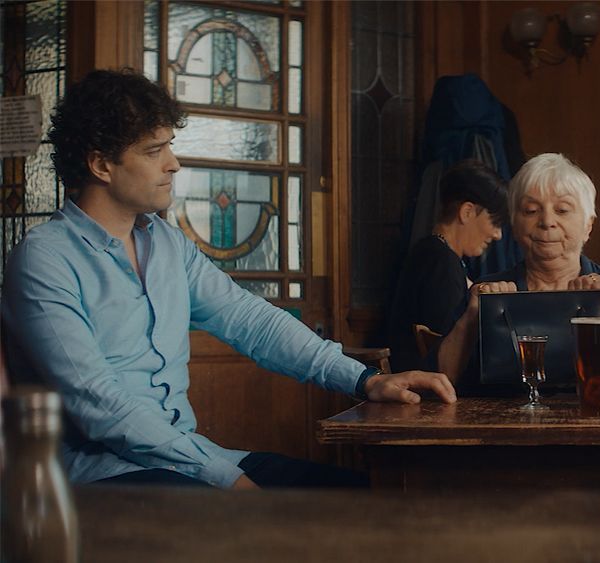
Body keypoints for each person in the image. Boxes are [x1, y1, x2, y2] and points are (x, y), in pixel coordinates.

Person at [1, 69, 456, 490]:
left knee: (359, 499)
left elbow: (250, 321)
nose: (173, 163)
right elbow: (99, 406)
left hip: (188, 459)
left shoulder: (166, 243)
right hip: (100, 477)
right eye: (154, 150)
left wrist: (364, 381)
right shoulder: (44, 260)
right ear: (101, 165)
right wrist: (224, 478)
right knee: (264, 526)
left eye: (170, 146)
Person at [439, 153, 600, 390]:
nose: (547, 221)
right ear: (514, 224)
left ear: (588, 224)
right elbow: (442, 379)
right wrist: (472, 316)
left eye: (563, 210)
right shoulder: (487, 290)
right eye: (531, 211)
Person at [387, 159, 507, 372]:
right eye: (495, 222)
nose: (497, 234)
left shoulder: (432, 252)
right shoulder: (440, 262)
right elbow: (446, 344)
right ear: (467, 212)